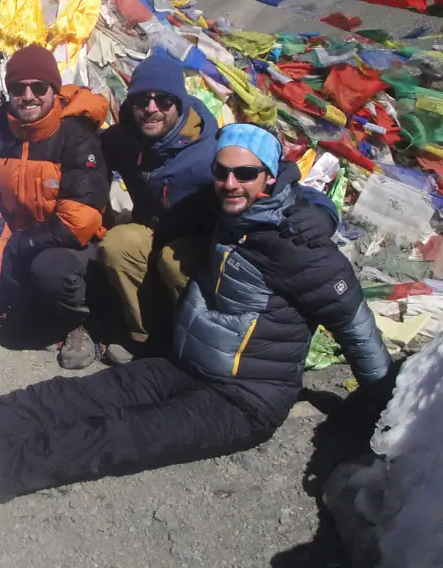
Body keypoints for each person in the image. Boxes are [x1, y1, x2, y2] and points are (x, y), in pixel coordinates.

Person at [0, 123, 392, 504]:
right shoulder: (225, 211)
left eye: (245, 175)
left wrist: (386, 420)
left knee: (110, 436)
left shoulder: (301, 247)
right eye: (223, 173)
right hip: (184, 365)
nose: (231, 184)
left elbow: (358, 330)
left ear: (269, 179)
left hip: (244, 400)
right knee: (68, 396)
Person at [100, 54, 338, 358]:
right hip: (158, 231)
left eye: (163, 100)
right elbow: (88, 147)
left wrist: (322, 213)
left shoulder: (211, 151)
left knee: (175, 260)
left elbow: (279, 177)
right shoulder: (126, 138)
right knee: (118, 244)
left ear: (180, 103)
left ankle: (199, 348)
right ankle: (148, 338)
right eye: (141, 100)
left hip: (209, 245)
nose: (151, 109)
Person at [0, 44, 109, 369]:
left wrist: (20, 245)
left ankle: (79, 323)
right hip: (19, 236)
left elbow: (79, 221)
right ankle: (27, 312)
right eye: (18, 88)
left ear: (54, 90)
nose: (28, 96)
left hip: (71, 244)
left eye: (39, 87)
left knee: (51, 269)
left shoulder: (76, 137)